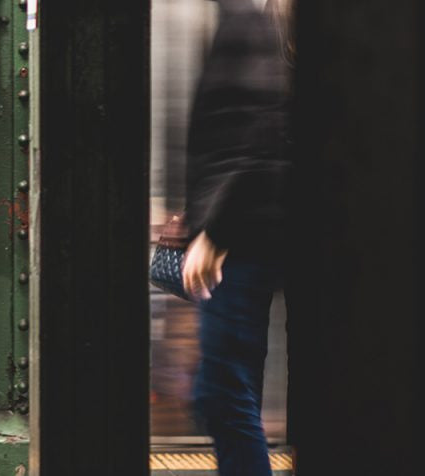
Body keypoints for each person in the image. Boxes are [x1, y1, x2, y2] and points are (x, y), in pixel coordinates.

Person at [181, 0, 292, 474]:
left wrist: (213, 230)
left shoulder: (255, 22)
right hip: (287, 226)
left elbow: (263, 130)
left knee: (223, 388)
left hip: (246, 236)